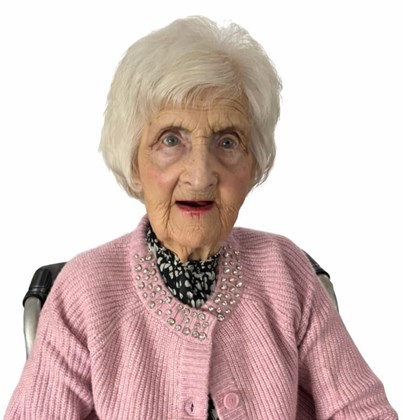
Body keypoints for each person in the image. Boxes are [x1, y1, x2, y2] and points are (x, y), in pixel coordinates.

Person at [5, 16, 397, 419]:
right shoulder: (84, 293)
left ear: (253, 164)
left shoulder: (285, 272)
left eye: (227, 142)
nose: (200, 174)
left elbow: (362, 410)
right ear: (134, 162)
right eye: (171, 140)